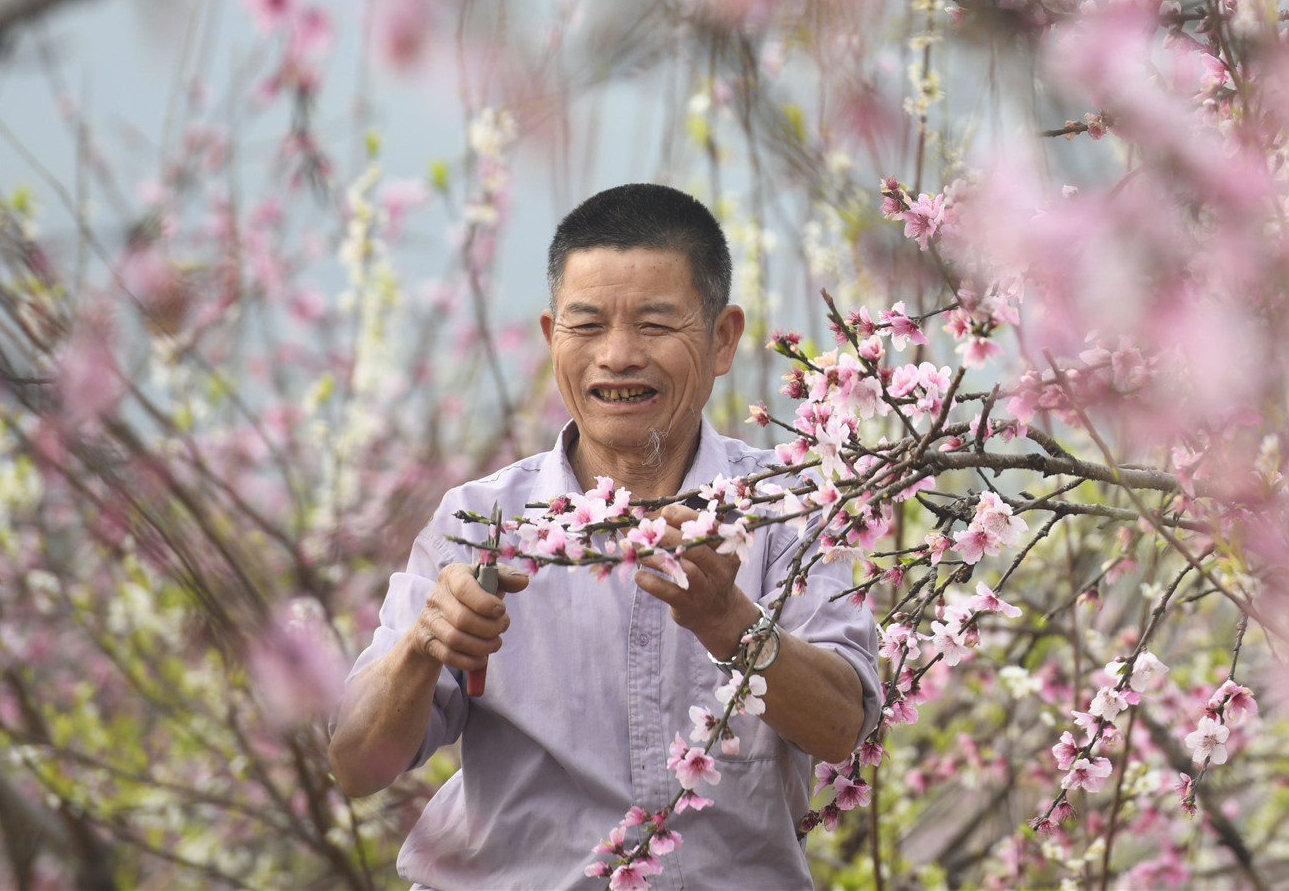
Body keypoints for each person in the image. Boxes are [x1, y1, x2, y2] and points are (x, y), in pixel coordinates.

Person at [328, 184, 879, 890]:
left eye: (654, 325)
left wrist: (730, 622)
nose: (617, 356)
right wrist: (422, 645)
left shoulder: (790, 508)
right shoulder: (481, 522)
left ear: (722, 339)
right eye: (586, 326)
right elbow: (356, 765)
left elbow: (840, 728)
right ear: (551, 335)